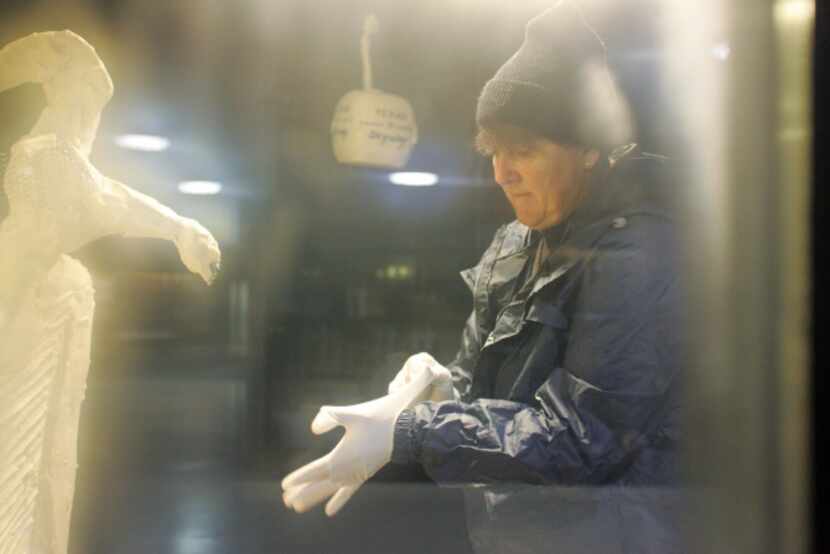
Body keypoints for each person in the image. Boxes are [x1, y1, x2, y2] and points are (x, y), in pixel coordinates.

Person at [284, 3, 684, 552]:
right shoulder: (515, 241)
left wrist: (414, 430)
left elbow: (584, 439)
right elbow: (487, 395)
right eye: (493, 151)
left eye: (523, 150)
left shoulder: (638, 253)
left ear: (589, 149)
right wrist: (441, 388)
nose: (502, 173)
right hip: (515, 534)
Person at [0, 31, 221, 554]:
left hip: (34, 315)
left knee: (34, 465)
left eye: (94, 102)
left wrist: (179, 228)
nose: (90, 113)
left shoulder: (53, 162)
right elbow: (109, 199)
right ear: (60, 92)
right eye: (84, 96)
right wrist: (178, 228)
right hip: (19, 316)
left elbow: (109, 198)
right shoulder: (46, 157)